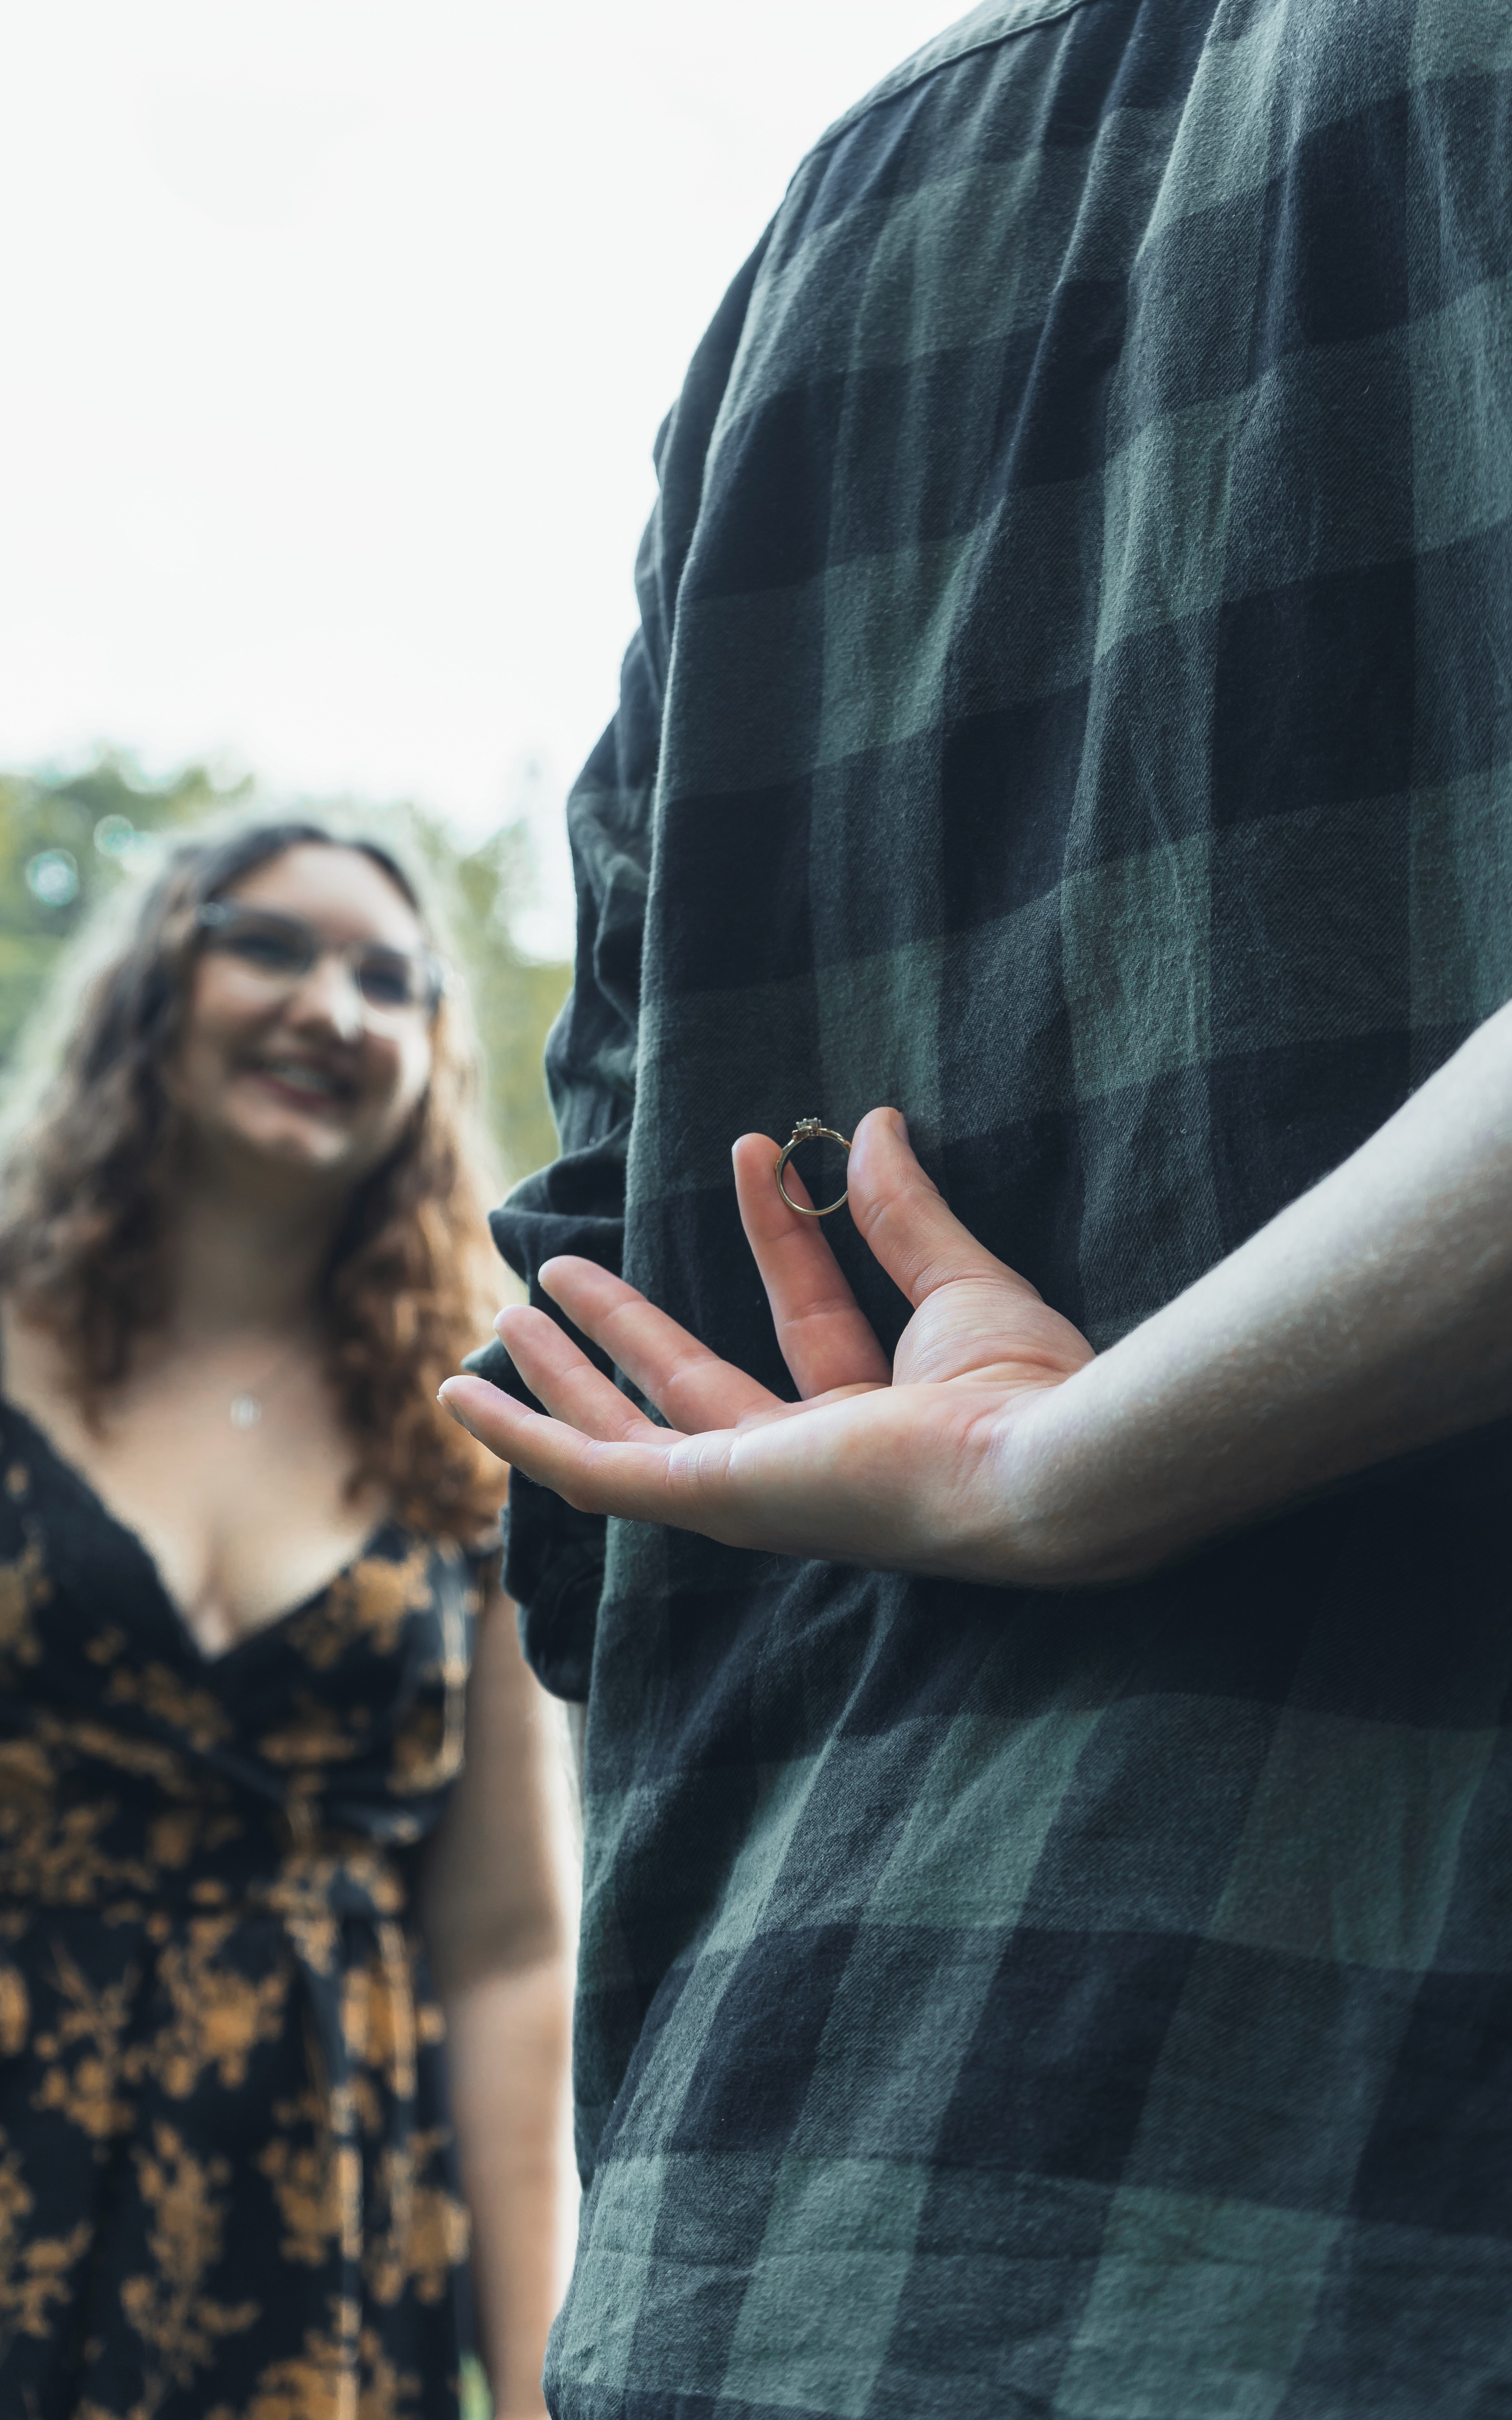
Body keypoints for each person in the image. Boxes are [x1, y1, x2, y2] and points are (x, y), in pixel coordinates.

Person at [441, 0, 1512, 2410]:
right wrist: (1079, 1463)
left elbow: (598, 1401)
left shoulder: (850, 210)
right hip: (1397, 2242)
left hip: (803, 2226)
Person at [0, 820, 571, 2420]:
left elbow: (504, 1954)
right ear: (153, 985)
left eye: (388, 981)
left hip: (306, 2240)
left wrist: (544, 2382)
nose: (331, 1008)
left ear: (433, 1060)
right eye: (269, 946)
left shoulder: (477, 1436)